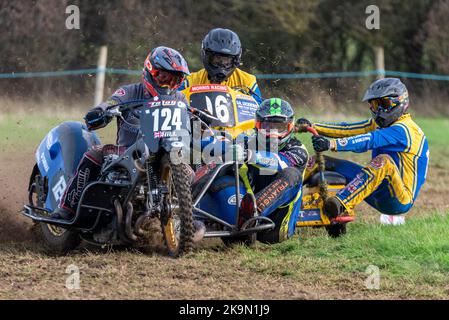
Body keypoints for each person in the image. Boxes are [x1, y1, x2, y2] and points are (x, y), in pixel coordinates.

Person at [52, 46, 191, 220]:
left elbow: (191, 115)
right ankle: (67, 207)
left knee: (192, 172)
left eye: (174, 80)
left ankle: (195, 218)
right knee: (94, 154)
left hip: (168, 151)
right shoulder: (131, 91)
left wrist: (200, 119)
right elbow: (111, 102)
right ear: (150, 72)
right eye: (163, 77)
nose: (168, 84)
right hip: (127, 152)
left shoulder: (180, 99)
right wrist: (102, 112)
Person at [297, 78, 429, 218]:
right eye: (374, 105)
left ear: (400, 101)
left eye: (383, 103)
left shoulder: (404, 130)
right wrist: (313, 126)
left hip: (398, 199)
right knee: (318, 161)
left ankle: (340, 203)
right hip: (375, 188)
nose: (378, 110)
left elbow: (369, 140)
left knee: (384, 161)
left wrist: (331, 144)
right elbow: (347, 129)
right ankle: (286, 195)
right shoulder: (381, 124)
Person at [240, 98, 309, 242]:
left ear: (289, 127)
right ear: (257, 125)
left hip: (276, 228)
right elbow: (221, 147)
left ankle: (254, 211)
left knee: (292, 174)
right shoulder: (249, 142)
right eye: (267, 126)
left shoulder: (298, 149)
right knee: (225, 164)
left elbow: (278, 162)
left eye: (279, 127)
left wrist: (251, 156)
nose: (273, 132)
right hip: (240, 222)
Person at [179, 28, 263, 104]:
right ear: (207, 56)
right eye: (217, 58)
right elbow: (175, 101)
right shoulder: (191, 80)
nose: (222, 63)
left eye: (227, 60)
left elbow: (258, 109)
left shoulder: (247, 81)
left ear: (235, 60)